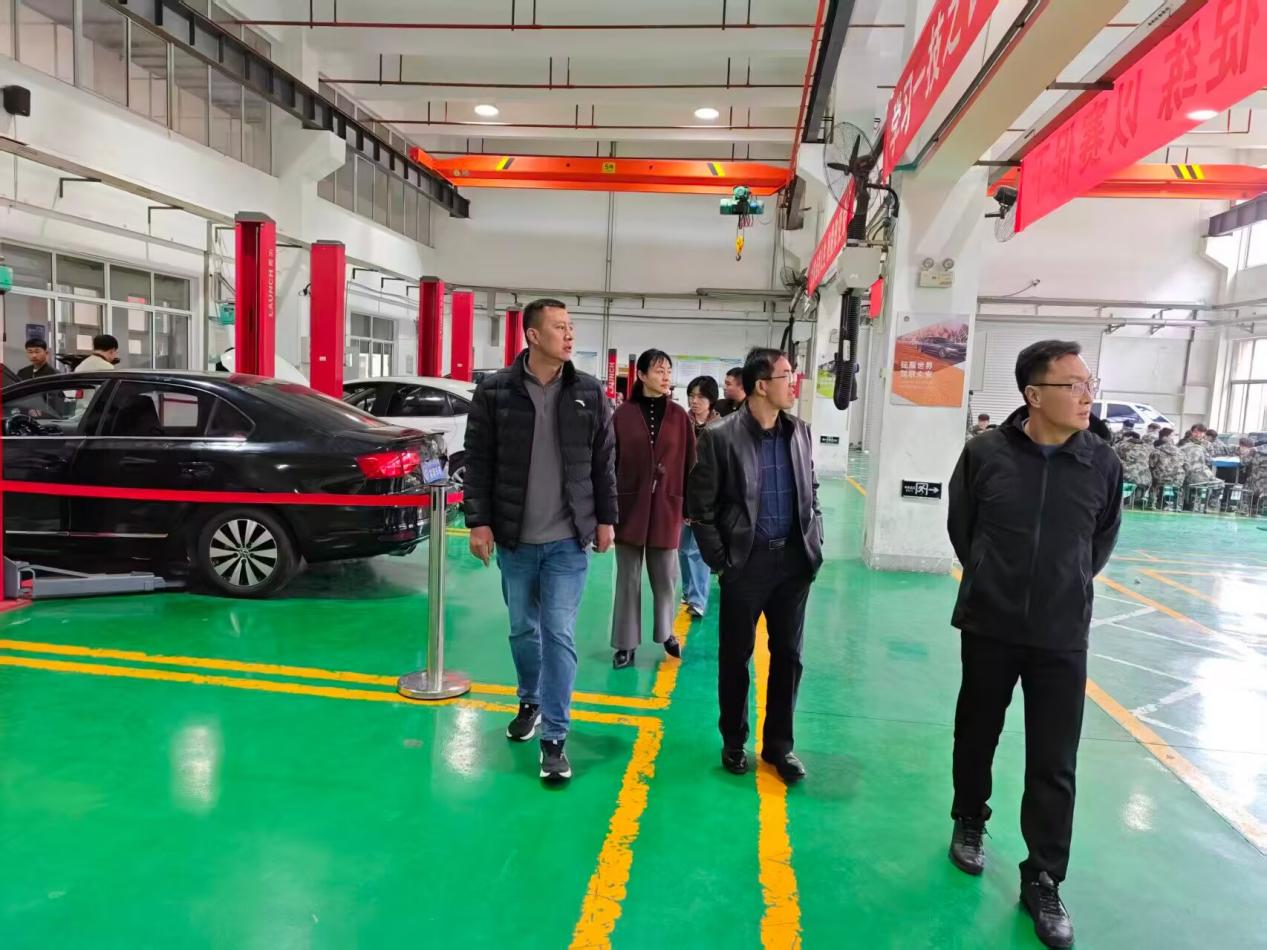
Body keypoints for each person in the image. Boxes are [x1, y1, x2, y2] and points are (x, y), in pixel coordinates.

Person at [946, 340, 1122, 950]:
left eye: (1089, 383)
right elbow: (963, 528)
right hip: (990, 624)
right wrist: (992, 576)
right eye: (1073, 385)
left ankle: (1043, 877)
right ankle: (969, 820)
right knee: (976, 732)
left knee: (1054, 759)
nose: (1087, 395)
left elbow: (1101, 540)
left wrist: (1064, 584)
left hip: (1061, 633)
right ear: (1033, 395)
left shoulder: (1101, 462)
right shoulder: (985, 454)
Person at [462, 298, 617, 784]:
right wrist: (478, 522)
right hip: (515, 540)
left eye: (571, 327)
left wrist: (606, 519)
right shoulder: (495, 392)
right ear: (532, 335)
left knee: (558, 633)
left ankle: (554, 737)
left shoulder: (589, 392)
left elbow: (603, 462)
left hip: (568, 540)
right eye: (559, 327)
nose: (569, 335)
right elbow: (478, 460)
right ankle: (529, 699)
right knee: (521, 630)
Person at [688, 347, 823, 785]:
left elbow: (812, 491)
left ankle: (779, 747)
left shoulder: (799, 432)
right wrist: (722, 564)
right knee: (735, 657)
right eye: (786, 375)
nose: (794, 382)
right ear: (761, 385)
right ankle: (733, 739)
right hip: (746, 564)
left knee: (789, 657)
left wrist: (815, 541)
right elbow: (700, 509)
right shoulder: (720, 437)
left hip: (793, 565)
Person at [610, 350, 695, 668]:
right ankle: (625, 644)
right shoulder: (622, 415)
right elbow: (609, 462)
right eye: (659, 370)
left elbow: (690, 463)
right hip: (628, 506)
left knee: (665, 578)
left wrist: (689, 504)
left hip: (667, 507)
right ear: (642, 375)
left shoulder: (679, 416)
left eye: (668, 371)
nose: (665, 376)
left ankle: (666, 633)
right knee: (628, 579)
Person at [680, 375, 721, 619]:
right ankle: (688, 592)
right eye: (691, 396)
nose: (694, 401)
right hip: (681, 495)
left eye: (700, 397)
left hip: (707, 498)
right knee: (682, 549)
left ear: (711, 400)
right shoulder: (681, 423)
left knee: (697, 550)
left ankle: (698, 600)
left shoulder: (720, 427)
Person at [1149, 427, 1185, 507]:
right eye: (1172, 436)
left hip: (1161, 478)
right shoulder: (1180, 451)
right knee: (1177, 485)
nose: (1173, 438)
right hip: (1178, 478)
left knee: (1153, 478)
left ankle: (1153, 502)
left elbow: (1151, 465)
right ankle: (1178, 505)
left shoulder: (1156, 450)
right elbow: (1184, 463)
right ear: (1165, 437)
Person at [1115, 427, 1152, 503]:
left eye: (1124, 438)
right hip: (1144, 479)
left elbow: (1112, 457)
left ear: (1130, 437)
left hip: (1125, 477)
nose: (1122, 439)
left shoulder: (1120, 445)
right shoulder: (1148, 447)